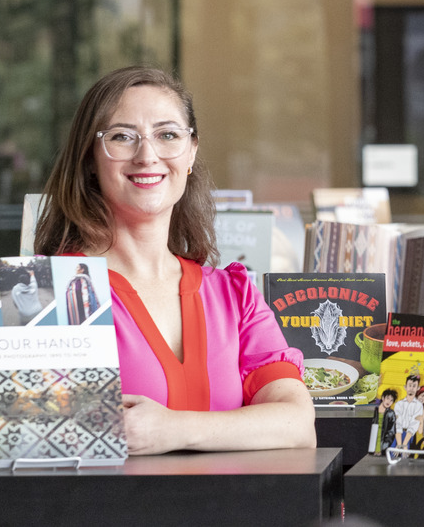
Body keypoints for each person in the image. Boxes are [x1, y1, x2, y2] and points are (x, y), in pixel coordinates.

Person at [33, 65, 315, 455]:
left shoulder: (234, 295)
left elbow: (297, 425)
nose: (147, 155)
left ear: (191, 153)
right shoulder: (50, 292)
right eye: (121, 137)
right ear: (90, 159)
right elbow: (29, 437)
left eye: (167, 135)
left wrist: (173, 429)